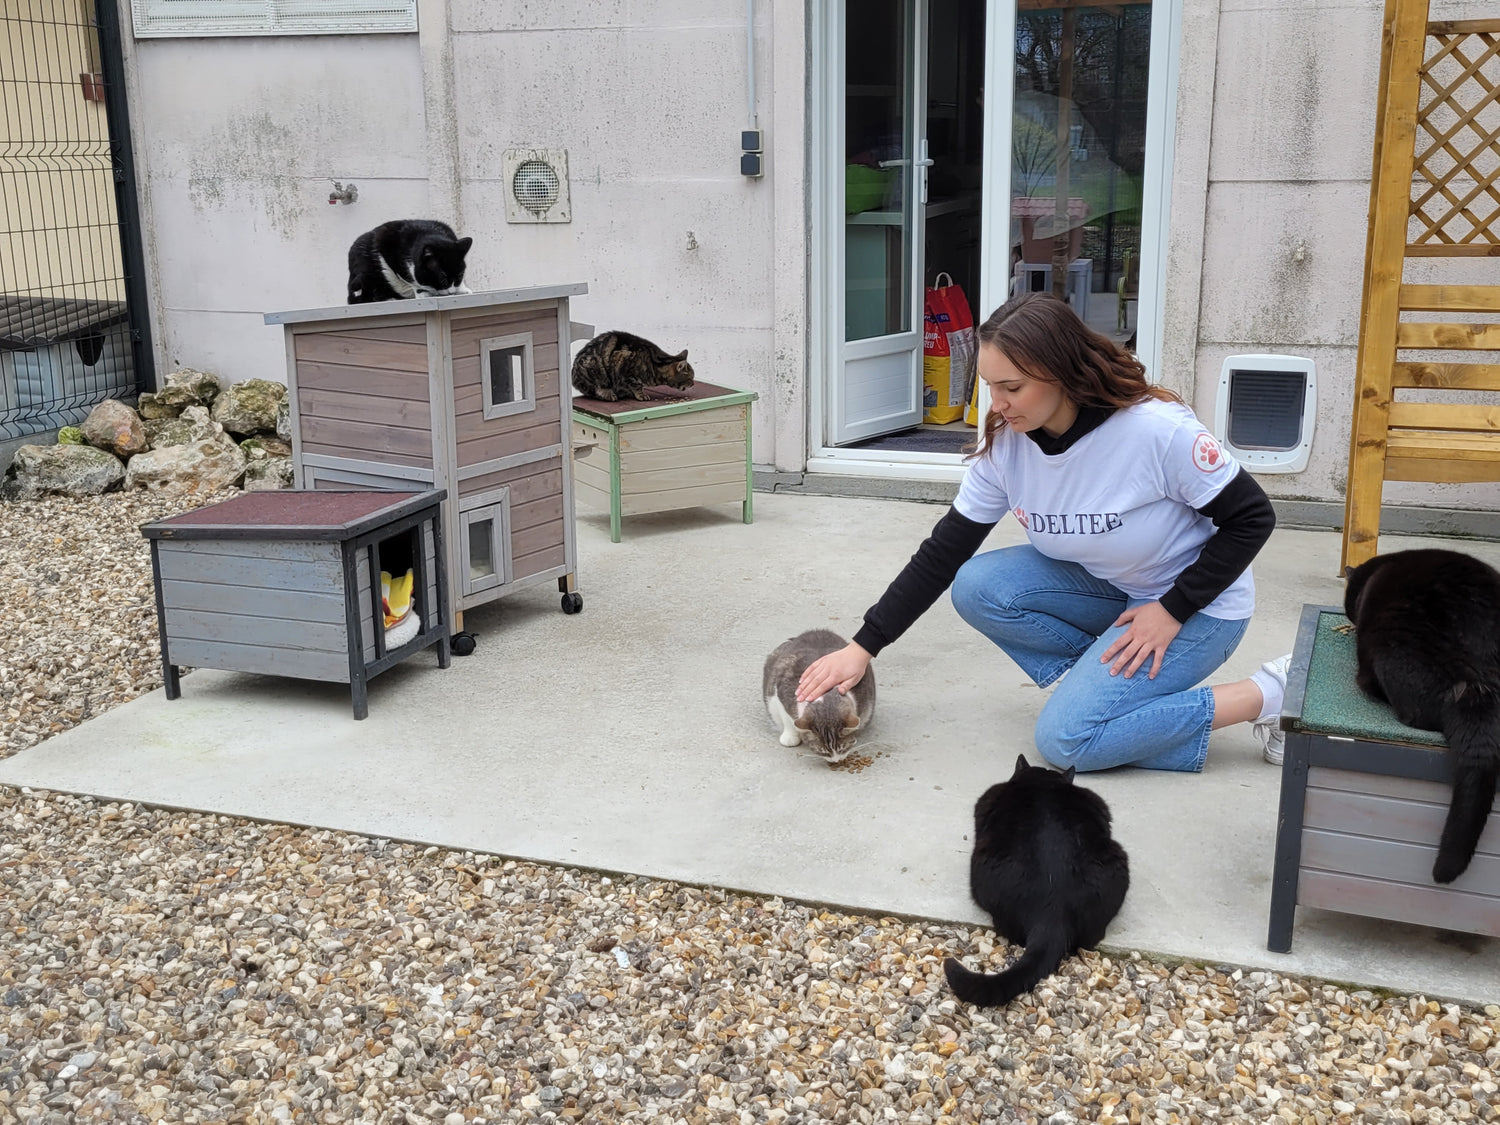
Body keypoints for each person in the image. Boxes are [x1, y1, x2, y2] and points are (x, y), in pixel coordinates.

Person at [798, 293, 1293, 771]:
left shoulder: (1155, 431)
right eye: (989, 386)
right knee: (978, 586)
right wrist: (863, 646)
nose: (997, 404)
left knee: (1067, 743)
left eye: (1012, 388)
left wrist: (1171, 609)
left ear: (1061, 374)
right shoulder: (1007, 442)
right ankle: (1107, 695)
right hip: (1117, 590)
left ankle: (1270, 693)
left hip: (1201, 607)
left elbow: (1253, 518)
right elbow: (944, 551)